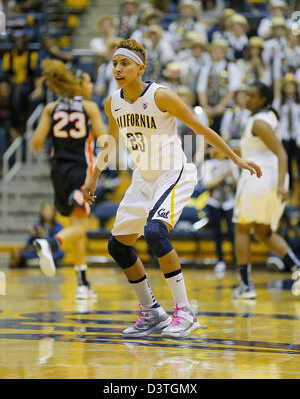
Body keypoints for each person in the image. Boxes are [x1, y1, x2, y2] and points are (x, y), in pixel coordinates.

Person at [81, 38, 261, 339]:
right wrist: (94, 174)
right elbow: (111, 141)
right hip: (143, 178)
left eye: (124, 63)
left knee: (154, 232)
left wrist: (235, 157)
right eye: (114, 63)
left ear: (140, 68)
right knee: (117, 245)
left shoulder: (160, 95)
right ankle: (152, 313)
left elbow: (200, 129)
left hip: (172, 172)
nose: (117, 69)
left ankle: (186, 312)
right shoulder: (112, 102)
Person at [29, 58, 107, 299]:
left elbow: (36, 142)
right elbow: (105, 141)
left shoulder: (51, 108)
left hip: (57, 172)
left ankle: (82, 283)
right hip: (80, 171)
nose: (91, 86)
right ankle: (50, 244)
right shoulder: (90, 107)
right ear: (76, 85)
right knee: (80, 227)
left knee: (76, 228)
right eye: (87, 82)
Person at [232, 81, 300, 299]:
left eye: (251, 95)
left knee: (241, 228)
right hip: (271, 180)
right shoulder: (269, 118)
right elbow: (257, 150)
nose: (247, 99)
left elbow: (281, 153)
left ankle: (245, 285)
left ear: (263, 99)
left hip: (259, 180)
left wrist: (281, 185)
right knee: (264, 232)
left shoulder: (259, 122)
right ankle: (297, 267)